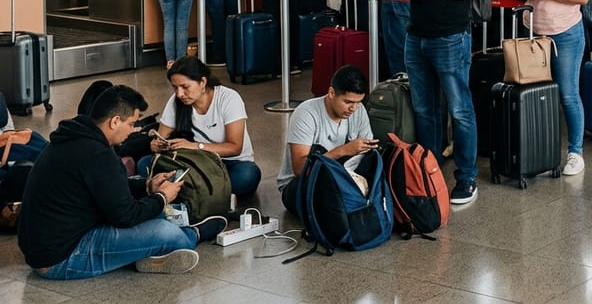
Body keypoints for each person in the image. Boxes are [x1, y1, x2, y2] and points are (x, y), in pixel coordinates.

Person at [19, 85, 225, 279]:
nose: (133, 131)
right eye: (132, 124)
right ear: (115, 121)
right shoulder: (97, 154)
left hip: (51, 244)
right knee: (166, 232)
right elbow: (125, 216)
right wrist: (162, 197)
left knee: (157, 213)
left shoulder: (76, 137)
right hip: (61, 259)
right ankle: (192, 234)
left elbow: (105, 188)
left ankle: (146, 254)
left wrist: (146, 186)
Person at [397, 0, 487, 205]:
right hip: (416, 34)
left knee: (459, 109)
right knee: (424, 109)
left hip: (451, 36)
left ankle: (466, 177)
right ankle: (429, 169)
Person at [512, 0, 591, 175]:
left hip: (565, 32)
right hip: (534, 32)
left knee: (568, 93)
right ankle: (540, 147)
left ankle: (575, 151)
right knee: (536, 94)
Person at [142, 57, 262, 198]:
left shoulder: (228, 98)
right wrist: (157, 144)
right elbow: (162, 135)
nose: (180, 94)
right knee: (144, 163)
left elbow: (234, 148)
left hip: (231, 163)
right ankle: (208, 190)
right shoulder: (176, 101)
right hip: (196, 163)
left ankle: (189, 189)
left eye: (185, 87)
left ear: (203, 82)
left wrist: (194, 146)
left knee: (248, 176)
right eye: (175, 87)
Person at [277, 66, 376, 216]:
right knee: (329, 191)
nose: (353, 108)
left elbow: (367, 153)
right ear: (331, 93)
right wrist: (343, 150)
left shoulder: (359, 110)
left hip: (344, 177)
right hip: (301, 184)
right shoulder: (306, 113)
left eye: (358, 102)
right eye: (348, 102)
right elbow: (299, 169)